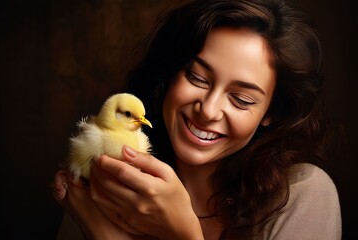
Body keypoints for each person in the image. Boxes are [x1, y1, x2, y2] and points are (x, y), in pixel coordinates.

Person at [53, 0, 342, 239]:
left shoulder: (303, 196)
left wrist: (183, 234)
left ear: (271, 113)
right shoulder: (106, 179)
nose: (208, 110)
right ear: (170, 74)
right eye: (197, 77)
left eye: (241, 99)